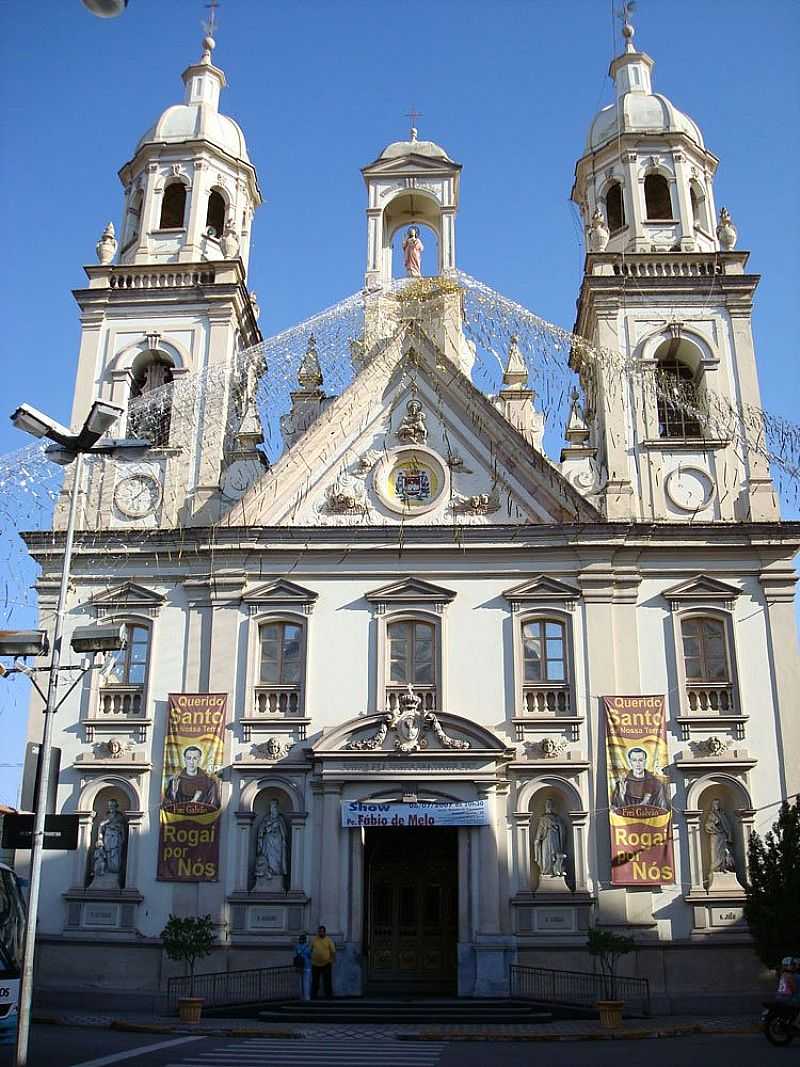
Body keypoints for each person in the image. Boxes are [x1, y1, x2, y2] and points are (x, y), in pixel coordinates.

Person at [611, 746, 668, 811]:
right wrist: (621, 796)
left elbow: (663, 809)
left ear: (645, 761)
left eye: (640, 760)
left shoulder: (656, 784)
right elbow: (614, 810)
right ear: (630, 762)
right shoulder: (621, 784)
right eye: (634, 760)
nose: (638, 764)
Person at [164, 745, 221, 809]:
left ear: (199, 759)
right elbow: (167, 806)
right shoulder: (174, 782)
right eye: (189, 758)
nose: (191, 762)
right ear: (184, 759)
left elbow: (214, 807)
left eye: (195, 758)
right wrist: (173, 793)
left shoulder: (209, 783)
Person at [310, 924, 336, 999]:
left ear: (325, 932)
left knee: (327, 981)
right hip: (315, 964)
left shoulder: (328, 940)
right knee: (315, 981)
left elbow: (333, 951)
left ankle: (328, 996)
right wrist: (310, 958)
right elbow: (310, 949)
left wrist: (332, 960)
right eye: (320, 931)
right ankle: (313, 996)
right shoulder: (314, 939)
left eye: (322, 931)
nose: (321, 933)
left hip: (326, 963)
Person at [293, 933, 312, 1001]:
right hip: (307, 966)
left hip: (299, 966)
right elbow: (310, 956)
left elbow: (295, 955)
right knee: (306, 982)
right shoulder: (307, 947)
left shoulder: (297, 946)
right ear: (305, 940)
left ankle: (301, 996)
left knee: (300, 982)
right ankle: (307, 997)